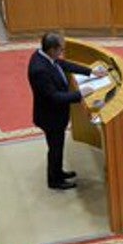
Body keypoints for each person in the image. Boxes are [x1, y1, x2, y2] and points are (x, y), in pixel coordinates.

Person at [27, 32, 107, 190]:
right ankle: (54, 181)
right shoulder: (39, 70)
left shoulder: (45, 56)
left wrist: (90, 72)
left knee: (58, 146)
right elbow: (54, 97)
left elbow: (65, 65)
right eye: (61, 50)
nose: (62, 53)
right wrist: (80, 94)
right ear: (52, 50)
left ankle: (58, 172)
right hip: (50, 117)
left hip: (56, 114)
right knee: (55, 148)